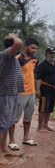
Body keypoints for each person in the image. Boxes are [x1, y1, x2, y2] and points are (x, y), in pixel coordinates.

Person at [9, 38, 39, 150]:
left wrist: (36, 90)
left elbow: (33, 74)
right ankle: (11, 140)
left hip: (31, 92)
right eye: (32, 48)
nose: (34, 50)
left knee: (28, 116)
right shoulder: (17, 59)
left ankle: (26, 138)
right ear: (25, 46)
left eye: (35, 48)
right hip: (19, 92)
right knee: (14, 118)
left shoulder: (35, 59)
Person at [0, 33, 24, 164]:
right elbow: (19, 43)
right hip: (4, 95)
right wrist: (12, 36)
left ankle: (3, 149)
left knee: (6, 124)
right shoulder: (5, 55)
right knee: (2, 126)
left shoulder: (12, 57)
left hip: (12, 94)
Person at [35, 47, 55, 132]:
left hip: (54, 90)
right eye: (50, 53)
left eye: (53, 53)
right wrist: (37, 90)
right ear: (46, 54)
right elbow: (38, 78)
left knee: (49, 108)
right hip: (45, 90)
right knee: (43, 108)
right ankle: (40, 127)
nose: (52, 55)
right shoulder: (42, 65)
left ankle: (46, 125)